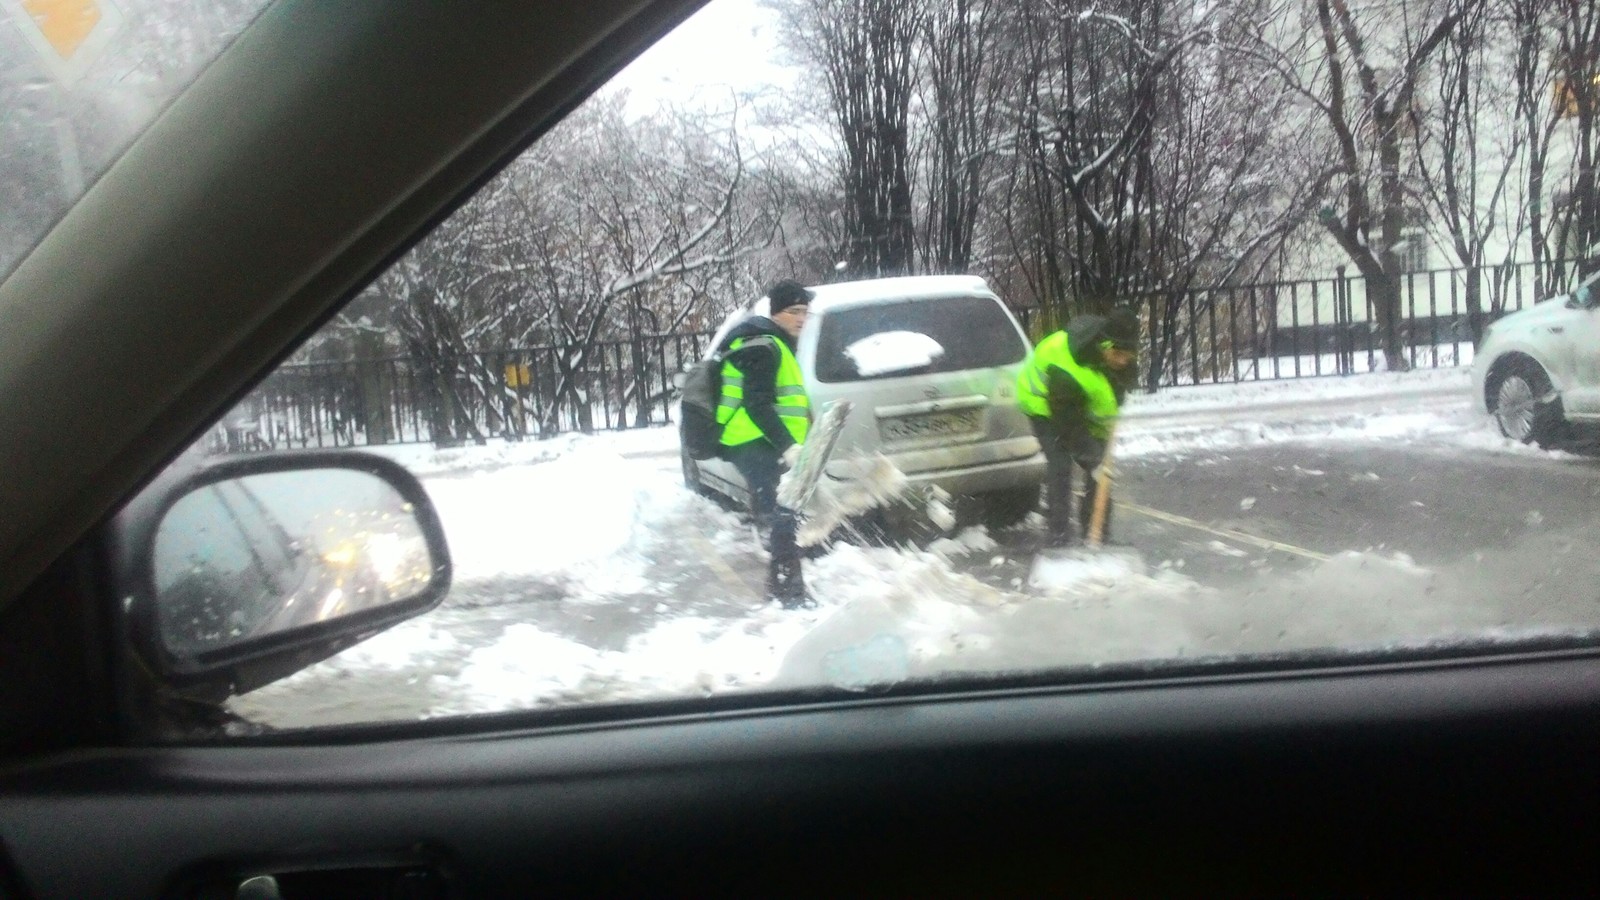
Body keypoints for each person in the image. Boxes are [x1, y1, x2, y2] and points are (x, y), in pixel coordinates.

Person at [717, 279, 814, 608]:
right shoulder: (764, 345)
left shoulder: (775, 343)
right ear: (777, 313)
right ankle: (790, 595)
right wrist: (788, 444)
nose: (802, 318)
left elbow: (782, 399)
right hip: (752, 443)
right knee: (781, 517)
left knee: (782, 517)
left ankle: (784, 589)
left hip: (759, 444)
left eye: (806, 312)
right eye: (795, 311)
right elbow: (757, 404)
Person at [1016, 308, 1140, 547]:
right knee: (1061, 465)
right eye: (1119, 355)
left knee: (1101, 469)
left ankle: (1097, 534)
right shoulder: (1067, 368)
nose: (1124, 361)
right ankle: (1058, 535)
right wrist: (1092, 459)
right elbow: (1069, 428)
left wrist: (1098, 462)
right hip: (1044, 406)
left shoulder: (1115, 353)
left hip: (1080, 407)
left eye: (1129, 356)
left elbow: (1120, 382)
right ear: (1105, 347)